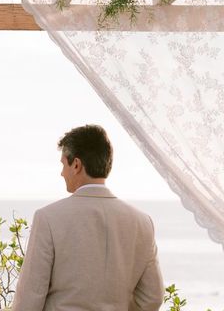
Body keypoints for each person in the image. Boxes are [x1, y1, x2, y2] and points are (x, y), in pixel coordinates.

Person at [12, 125, 164, 311]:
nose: (61, 173)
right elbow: (153, 297)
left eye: (63, 164)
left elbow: (29, 298)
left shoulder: (48, 218)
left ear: (76, 165)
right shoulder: (142, 222)